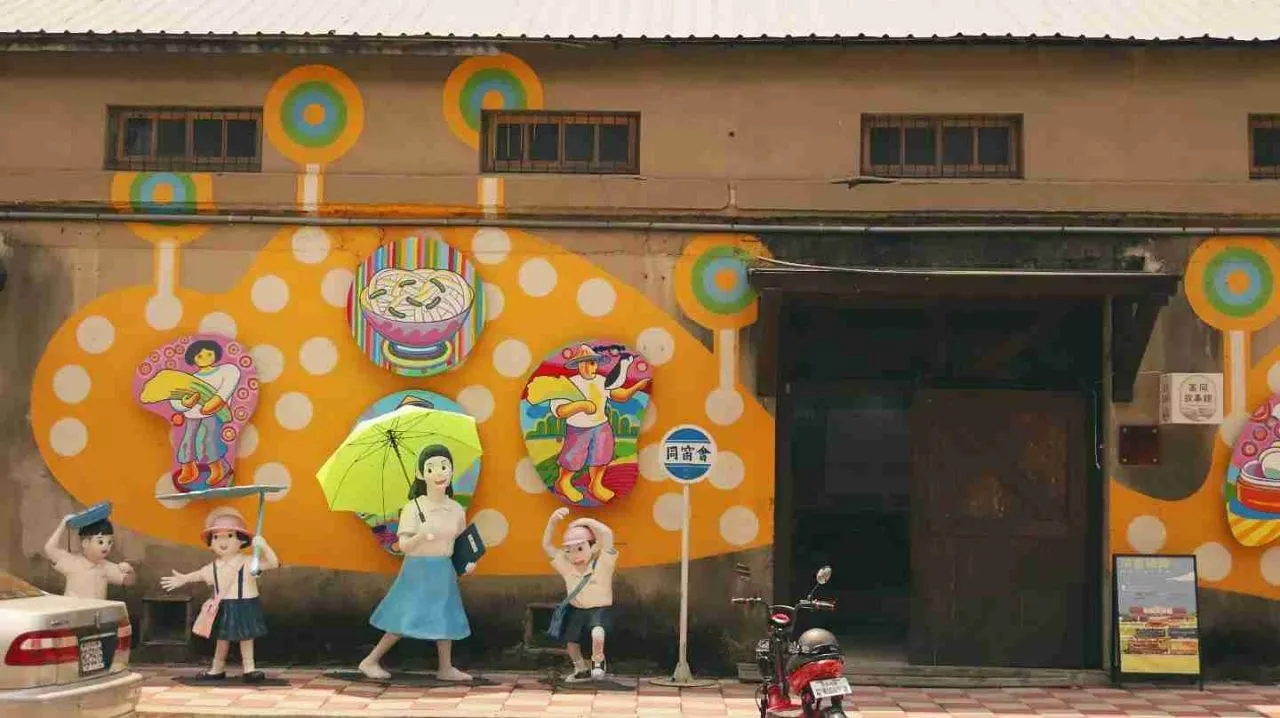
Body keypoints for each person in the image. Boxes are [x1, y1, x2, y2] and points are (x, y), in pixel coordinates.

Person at [358, 445, 476, 681]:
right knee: (405, 616)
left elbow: (461, 543)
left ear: (452, 471)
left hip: (444, 569)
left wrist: (467, 564)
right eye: (431, 468)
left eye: (444, 466)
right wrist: (421, 535)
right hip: (417, 569)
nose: (439, 473)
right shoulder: (413, 508)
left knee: (445, 615)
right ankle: (370, 660)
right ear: (422, 474)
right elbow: (403, 546)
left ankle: (445, 667)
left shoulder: (455, 509)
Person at [160, 507, 279, 683]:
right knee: (222, 638)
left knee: (246, 637)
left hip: (245, 603)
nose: (222, 541)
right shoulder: (213, 567)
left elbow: (273, 563)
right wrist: (184, 579)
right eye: (216, 537)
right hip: (224, 605)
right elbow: (199, 575)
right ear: (211, 542)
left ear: (241, 541)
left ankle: (249, 668)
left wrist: (264, 546)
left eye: (229, 536)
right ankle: (217, 668)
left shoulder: (248, 562)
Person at [549, 345, 650, 503]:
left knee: (601, 455)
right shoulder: (568, 384)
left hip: (601, 426)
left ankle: (595, 484)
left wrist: (636, 387)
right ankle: (563, 482)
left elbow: (618, 394)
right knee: (573, 458)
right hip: (578, 429)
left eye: (594, 363)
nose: (592, 367)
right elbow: (560, 411)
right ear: (579, 365)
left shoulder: (602, 381)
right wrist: (581, 405)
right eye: (588, 363)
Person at [542, 507, 617, 681]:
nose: (575, 556)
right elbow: (546, 546)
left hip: (599, 609)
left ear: (592, 546)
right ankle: (580, 668)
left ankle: (598, 662)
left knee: (598, 633)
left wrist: (586, 522)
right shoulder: (567, 566)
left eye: (580, 549)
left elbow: (607, 535)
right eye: (569, 550)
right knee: (571, 643)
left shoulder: (602, 563)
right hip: (577, 609)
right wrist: (552, 522)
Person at [170, 339, 241, 487]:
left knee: (207, 441)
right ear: (193, 359)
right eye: (200, 356)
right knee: (186, 442)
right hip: (191, 415)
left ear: (216, 354)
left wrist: (217, 401)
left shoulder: (226, 370)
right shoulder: (191, 379)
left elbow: (228, 386)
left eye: (209, 354)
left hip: (214, 415)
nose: (205, 358)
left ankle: (218, 468)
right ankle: (189, 469)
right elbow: (174, 398)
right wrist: (184, 403)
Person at [43, 514, 135, 600]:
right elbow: (49, 549)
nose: (106, 546)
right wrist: (62, 525)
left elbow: (128, 581)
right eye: (100, 542)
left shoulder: (106, 567)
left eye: (110, 542)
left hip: (96, 614)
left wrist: (130, 570)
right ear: (85, 543)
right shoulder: (71, 562)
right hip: (73, 612)